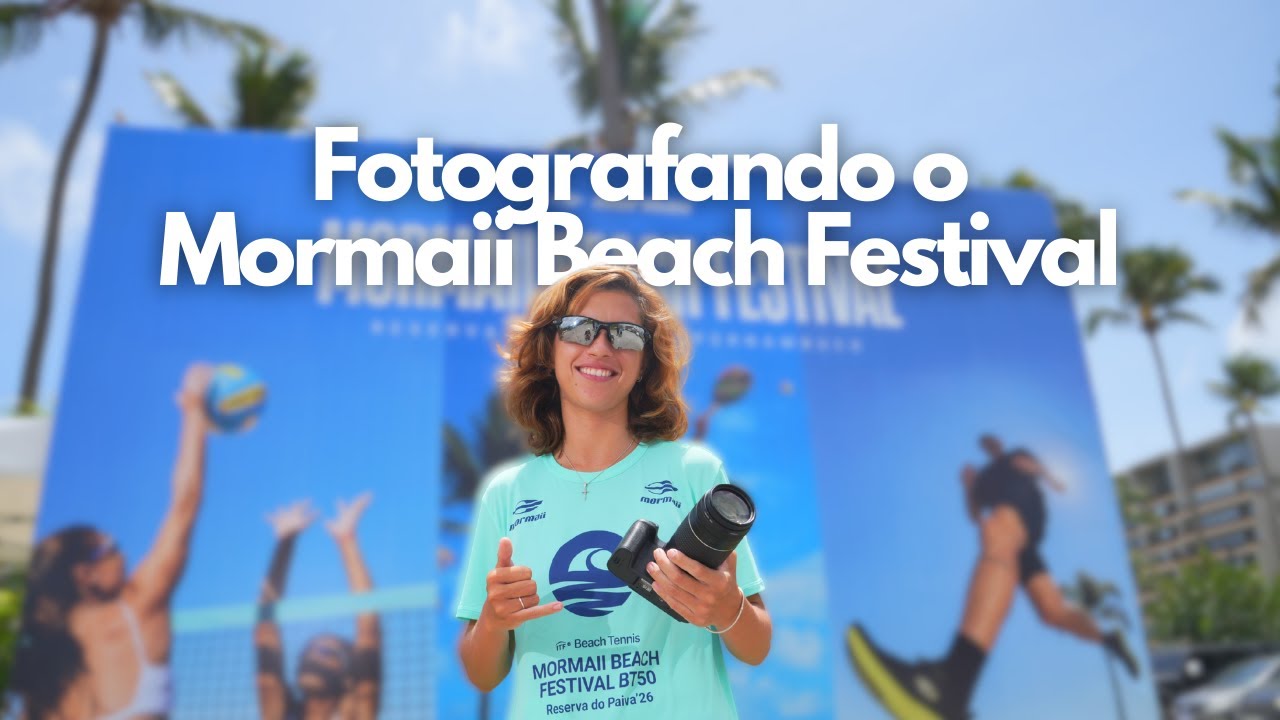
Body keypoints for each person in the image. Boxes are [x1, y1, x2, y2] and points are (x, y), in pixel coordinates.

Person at [455, 265, 772, 719]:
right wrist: (493, 620)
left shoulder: (694, 472)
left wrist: (727, 607)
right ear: (549, 349)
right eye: (579, 329)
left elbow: (757, 646)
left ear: (644, 363)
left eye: (625, 334)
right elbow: (482, 674)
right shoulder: (506, 493)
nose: (601, 346)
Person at [846, 434, 1140, 720]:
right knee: (1052, 610)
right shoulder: (984, 479)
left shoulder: (1013, 457)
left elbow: (1037, 469)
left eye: (992, 441)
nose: (989, 443)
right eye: (984, 442)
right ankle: (1106, 637)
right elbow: (974, 515)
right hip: (1026, 542)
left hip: (1022, 512)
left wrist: (1048, 477)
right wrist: (968, 487)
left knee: (997, 532)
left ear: (999, 444)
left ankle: (951, 685)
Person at [12, 364, 214, 719]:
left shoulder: (39, 662)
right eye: (112, 548)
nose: (124, 555)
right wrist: (194, 411)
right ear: (84, 574)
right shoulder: (138, 607)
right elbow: (185, 504)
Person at [254, 494, 382, 720]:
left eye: (326, 652)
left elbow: (369, 628)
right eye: (308, 651)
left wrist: (348, 542)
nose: (312, 656)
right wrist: (285, 543)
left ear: (348, 676)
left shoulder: (357, 714)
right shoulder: (281, 713)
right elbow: (265, 630)